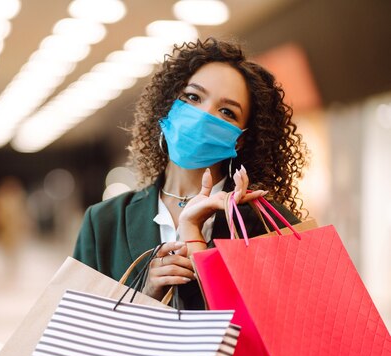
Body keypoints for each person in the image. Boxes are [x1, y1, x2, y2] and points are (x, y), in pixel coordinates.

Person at [73, 38, 308, 309]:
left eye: (227, 112)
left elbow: (284, 329)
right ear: (167, 108)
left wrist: (198, 245)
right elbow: (75, 329)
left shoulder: (269, 227)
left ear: (240, 139)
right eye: (193, 97)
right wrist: (145, 293)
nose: (203, 115)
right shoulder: (104, 221)